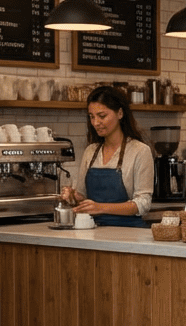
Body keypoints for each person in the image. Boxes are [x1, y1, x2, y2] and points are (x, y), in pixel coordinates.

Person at [61, 85, 153, 228]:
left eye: (102, 116)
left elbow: (143, 203)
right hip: (92, 230)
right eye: (92, 117)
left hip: (130, 233)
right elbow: (83, 196)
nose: (96, 123)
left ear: (120, 113)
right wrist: (73, 197)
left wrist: (100, 207)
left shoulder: (140, 151)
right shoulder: (90, 152)